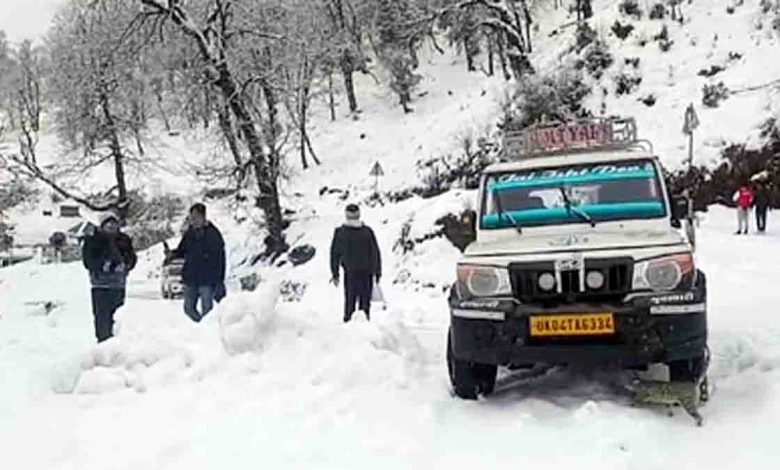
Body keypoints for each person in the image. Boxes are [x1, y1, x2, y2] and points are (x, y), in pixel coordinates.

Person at [82, 212, 137, 342]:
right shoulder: (93, 240)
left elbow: (132, 257)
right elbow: (89, 261)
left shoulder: (124, 240)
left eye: (114, 223)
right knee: (102, 318)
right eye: (108, 223)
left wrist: (126, 265)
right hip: (100, 285)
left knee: (118, 317)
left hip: (118, 285)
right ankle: (103, 344)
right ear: (102, 226)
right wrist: (107, 266)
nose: (112, 226)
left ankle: (116, 344)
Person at [168, 203, 226, 322]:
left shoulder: (213, 235)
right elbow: (182, 250)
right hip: (191, 278)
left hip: (207, 279)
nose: (193, 221)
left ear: (203, 216)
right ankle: (202, 326)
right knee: (188, 308)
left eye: (195, 217)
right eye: (191, 218)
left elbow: (220, 259)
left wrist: (219, 280)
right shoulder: (189, 234)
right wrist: (172, 254)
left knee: (207, 311)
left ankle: (209, 331)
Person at [330, 204, 382, 323]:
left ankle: (348, 329)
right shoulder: (367, 232)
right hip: (366, 274)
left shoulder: (340, 233)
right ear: (359, 215)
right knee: (364, 306)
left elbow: (334, 254)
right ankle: (364, 329)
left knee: (350, 304)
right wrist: (377, 272)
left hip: (350, 274)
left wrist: (335, 273)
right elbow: (375, 253)